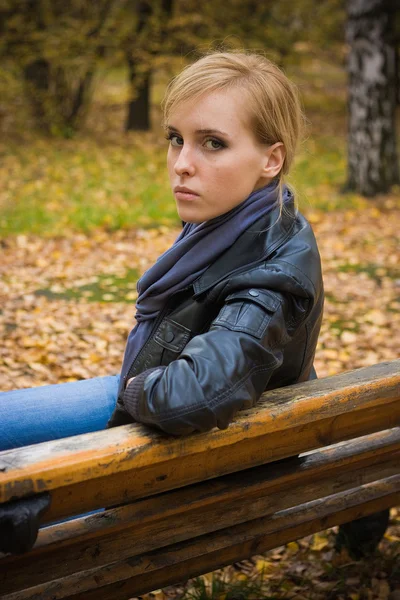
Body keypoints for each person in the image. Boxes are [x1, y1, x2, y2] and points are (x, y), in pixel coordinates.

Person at [1, 51, 386, 557]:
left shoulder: (271, 279)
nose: (182, 163)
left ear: (272, 159)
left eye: (213, 143)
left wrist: (135, 387)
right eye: (176, 138)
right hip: (206, 440)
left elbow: (194, 393)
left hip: (195, 466)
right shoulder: (244, 222)